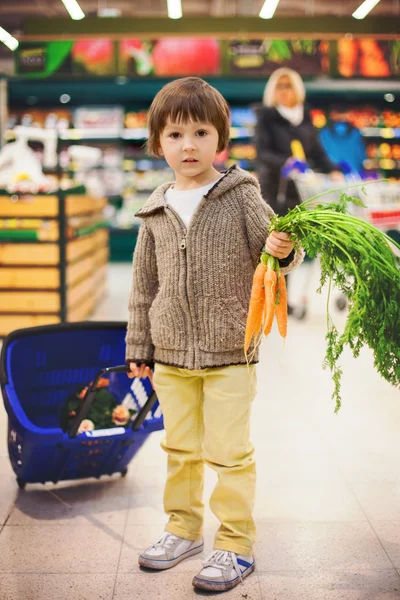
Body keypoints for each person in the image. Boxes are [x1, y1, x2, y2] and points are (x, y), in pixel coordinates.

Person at [125, 77, 303, 593]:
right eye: (175, 135)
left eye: (201, 133)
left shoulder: (241, 195)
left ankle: (235, 543)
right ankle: (182, 529)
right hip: (170, 353)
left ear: (220, 139)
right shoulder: (154, 209)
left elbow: (279, 255)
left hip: (231, 351)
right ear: (158, 141)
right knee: (179, 449)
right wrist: (139, 346)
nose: (188, 146)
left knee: (230, 453)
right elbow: (142, 287)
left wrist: (283, 249)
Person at [255, 67, 343, 216]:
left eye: (288, 86)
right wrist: (286, 162)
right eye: (279, 86)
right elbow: (263, 153)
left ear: (297, 89)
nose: (283, 91)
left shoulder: (306, 118)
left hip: (302, 189)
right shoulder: (266, 118)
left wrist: (334, 169)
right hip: (275, 189)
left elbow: (317, 152)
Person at [319, 104, 366, 175]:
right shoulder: (356, 134)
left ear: (332, 115)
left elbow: (320, 157)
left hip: (331, 176)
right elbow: (362, 157)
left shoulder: (324, 134)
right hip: (354, 177)